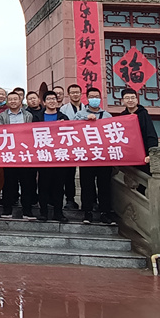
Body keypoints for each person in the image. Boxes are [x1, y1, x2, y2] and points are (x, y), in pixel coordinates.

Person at [74, 87, 115, 224]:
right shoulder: (80, 114)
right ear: (87, 98)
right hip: (87, 156)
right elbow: (73, 129)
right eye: (91, 97)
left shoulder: (107, 115)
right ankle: (87, 212)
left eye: (96, 96)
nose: (94, 99)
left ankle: (105, 212)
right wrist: (85, 119)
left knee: (104, 185)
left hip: (104, 157)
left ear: (100, 98)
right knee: (86, 185)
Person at [0, 91, 34, 219]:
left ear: (20, 101)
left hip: (25, 153)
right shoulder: (2, 116)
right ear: (7, 102)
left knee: (26, 183)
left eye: (15, 99)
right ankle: (7, 210)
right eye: (11, 99)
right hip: (10, 153)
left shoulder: (28, 115)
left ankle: (27, 211)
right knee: (9, 182)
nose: (13, 101)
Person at [37, 91, 69, 222]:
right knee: (43, 186)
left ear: (57, 101)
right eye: (49, 99)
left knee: (59, 187)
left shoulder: (64, 117)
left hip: (59, 156)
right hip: (43, 157)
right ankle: (43, 212)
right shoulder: (37, 117)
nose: (51, 101)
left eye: (54, 99)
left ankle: (58, 212)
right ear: (44, 102)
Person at [116, 87, 158, 174]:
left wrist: (150, 153)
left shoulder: (143, 114)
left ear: (137, 99)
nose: (130, 100)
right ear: (122, 101)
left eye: (133, 98)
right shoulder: (122, 116)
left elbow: (151, 134)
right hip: (129, 155)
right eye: (127, 98)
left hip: (144, 155)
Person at [59, 84, 85, 210]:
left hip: (85, 145)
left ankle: (90, 201)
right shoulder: (63, 109)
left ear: (81, 93)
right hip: (68, 144)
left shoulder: (88, 108)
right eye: (72, 92)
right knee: (69, 174)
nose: (75, 94)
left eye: (77, 92)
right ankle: (70, 199)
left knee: (86, 175)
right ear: (68, 95)